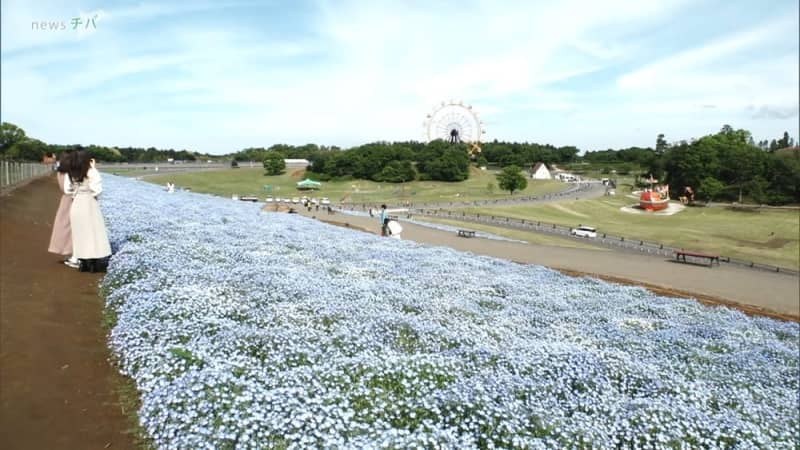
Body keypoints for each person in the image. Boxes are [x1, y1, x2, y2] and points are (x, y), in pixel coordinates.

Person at [66, 151, 111, 268]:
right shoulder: (91, 172)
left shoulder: (71, 172)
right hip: (89, 203)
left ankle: (83, 261)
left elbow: (68, 190)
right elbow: (97, 189)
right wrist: (93, 168)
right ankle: (93, 262)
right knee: (93, 232)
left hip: (76, 204)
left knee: (79, 234)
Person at [48, 150, 79, 268]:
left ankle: (69, 255)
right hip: (70, 201)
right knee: (71, 228)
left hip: (65, 201)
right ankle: (73, 256)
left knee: (65, 227)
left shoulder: (61, 172)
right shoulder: (68, 173)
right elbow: (68, 190)